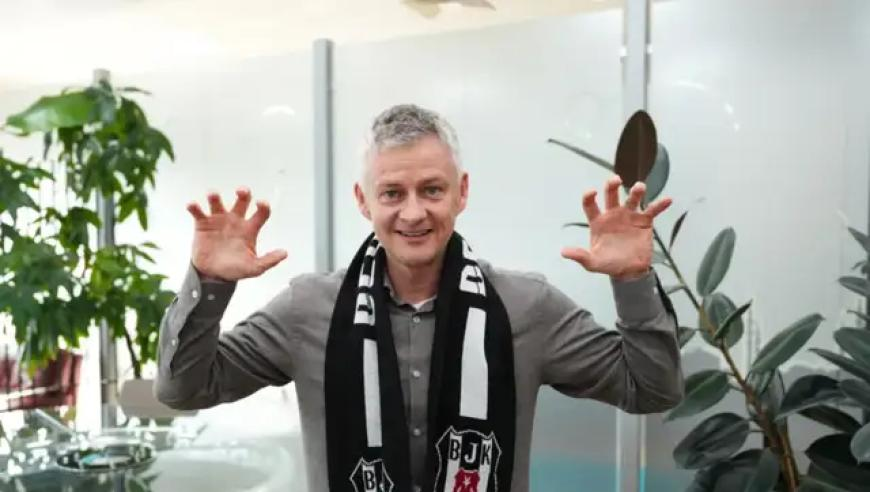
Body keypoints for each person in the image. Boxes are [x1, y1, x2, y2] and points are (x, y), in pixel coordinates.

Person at [155, 104, 683, 492]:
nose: (413, 213)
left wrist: (633, 280)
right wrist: (209, 285)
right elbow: (185, 388)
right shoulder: (307, 309)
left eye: (432, 189)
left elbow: (652, 389)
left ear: (461, 192)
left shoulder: (527, 306)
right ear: (364, 200)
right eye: (392, 193)